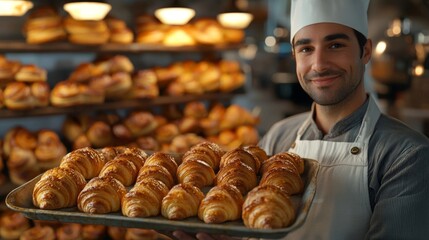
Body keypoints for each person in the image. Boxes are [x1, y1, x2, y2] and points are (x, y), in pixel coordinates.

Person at [174, 0, 429, 239]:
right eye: (306, 48)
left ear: (365, 51)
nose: (319, 64)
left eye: (335, 45)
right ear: (295, 57)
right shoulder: (278, 137)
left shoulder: (407, 155)